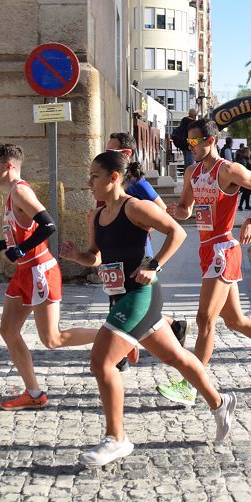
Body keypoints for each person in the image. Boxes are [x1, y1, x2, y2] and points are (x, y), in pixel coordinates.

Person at [59, 151, 236, 466]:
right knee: (175, 357)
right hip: (119, 295)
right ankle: (220, 403)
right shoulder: (96, 216)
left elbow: (178, 232)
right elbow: (95, 256)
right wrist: (77, 257)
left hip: (141, 294)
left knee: (101, 363)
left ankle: (117, 439)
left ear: (114, 177)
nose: (89, 183)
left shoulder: (136, 207)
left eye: (95, 176)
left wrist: (154, 265)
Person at [157, 119, 251, 405]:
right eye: (188, 143)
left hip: (223, 248)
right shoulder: (192, 171)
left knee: (204, 319)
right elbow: (187, 210)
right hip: (206, 248)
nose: (190, 147)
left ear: (209, 141)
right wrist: (175, 210)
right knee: (235, 321)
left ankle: (191, 385)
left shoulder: (228, 169)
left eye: (193, 142)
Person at [0, 143, 99, 410]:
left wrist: (21, 249)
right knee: (8, 331)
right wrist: (3, 246)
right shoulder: (11, 195)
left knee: (52, 339)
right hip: (23, 272)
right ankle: (34, 394)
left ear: (9, 166)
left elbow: (48, 225)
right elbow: (24, 234)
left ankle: (117, 337)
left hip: (39, 271)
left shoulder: (21, 191)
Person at [105, 132, 189, 367]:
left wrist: (144, 224)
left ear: (126, 153)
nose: (105, 154)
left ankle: (118, 355)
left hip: (140, 254)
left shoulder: (136, 182)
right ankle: (173, 326)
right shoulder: (110, 179)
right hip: (115, 253)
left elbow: (161, 209)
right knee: (124, 302)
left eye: (111, 151)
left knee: (126, 303)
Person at [235, 145, 251, 210]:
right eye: (249, 151)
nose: (250, 152)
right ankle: (240, 205)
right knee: (246, 192)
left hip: (248, 178)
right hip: (246, 179)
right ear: (246, 152)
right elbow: (244, 169)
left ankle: (247, 205)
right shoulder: (243, 160)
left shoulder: (246, 159)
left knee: (247, 192)